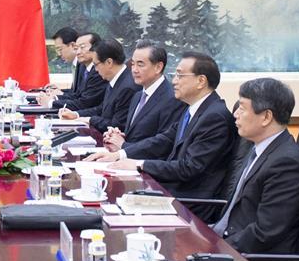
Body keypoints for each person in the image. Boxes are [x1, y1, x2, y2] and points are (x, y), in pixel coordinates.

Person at [90, 52, 237, 221]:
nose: (174, 81)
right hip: (172, 191)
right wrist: (118, 154)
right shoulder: (194, 109)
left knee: (111, 208)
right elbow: (164, 140)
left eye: (180, 75)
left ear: (201, 81)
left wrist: (139, 164)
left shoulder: (214, 117)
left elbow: (188, 168)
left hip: (189, 202)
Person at [210, 78, 299, 261]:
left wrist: (215, 247)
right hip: (230, 243)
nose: (235, 114)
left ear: (266, 117)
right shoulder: (259, 147)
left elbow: (265, 232)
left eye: (242, 109)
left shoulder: (287, 162)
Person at [101, 40, 186, 149]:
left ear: (158, 67)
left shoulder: (172, 98)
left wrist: (124, 146)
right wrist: (118, 136)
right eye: (133, 64)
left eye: (140, 64)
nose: (134, 70)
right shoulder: (137, 96)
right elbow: (136, 136)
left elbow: (163, 146)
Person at [59, 38, 138, 132]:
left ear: (109, 62)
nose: (95, 70)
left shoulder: (127, 87)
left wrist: (89, 120)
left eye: (96, 65)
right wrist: (76, 114)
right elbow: (102, 108)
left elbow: (117, 125)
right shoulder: (114, 79)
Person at [50, 32, 107, 110]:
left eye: (82, 47)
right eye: (76, 48)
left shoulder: (99, 72)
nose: (78, 52)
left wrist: (51, 102)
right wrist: (57, 95)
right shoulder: (84, 67)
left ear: (96, 48)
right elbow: (77, 94)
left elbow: (85, 103)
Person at [39, 27, 83, 102]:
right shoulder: (76, 64)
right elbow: (75, 93)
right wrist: (58, 91)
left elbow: (82, 99)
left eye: (60, 49)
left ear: (73, 45)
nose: (59, 54)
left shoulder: (84, 66)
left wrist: (58, 96)